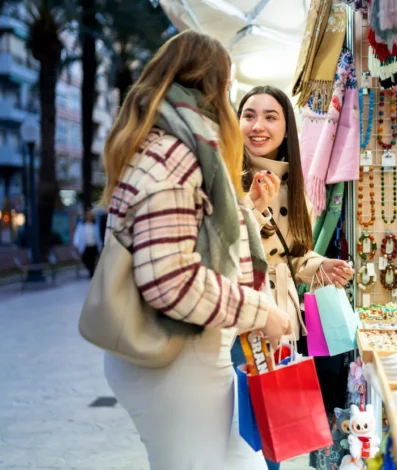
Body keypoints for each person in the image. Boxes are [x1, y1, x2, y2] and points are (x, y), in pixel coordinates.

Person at [99, 30, 291, 470]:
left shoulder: (165, 143)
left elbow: (187, 233)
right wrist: (262, 312)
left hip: (184, 361)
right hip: (175, 362)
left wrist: (244, 209)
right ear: (214, 87)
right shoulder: (174, 151)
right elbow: (171, 279)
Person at [234, 86, 356, 470]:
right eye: (249, 115)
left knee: (277, 416)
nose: (258, 126)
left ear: (286, 128)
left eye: (271, 117)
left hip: (283, 316)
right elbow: (224, 243)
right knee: (241, 411)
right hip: (242, 309)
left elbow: (294, 250)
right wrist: (250, 206)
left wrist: (320, 265)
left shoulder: (292, 182)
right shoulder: (223, 178)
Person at [72, 211, 102, 278]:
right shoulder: (81, 225)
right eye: (88, 216)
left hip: (94, 245)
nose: (89, 217)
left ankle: (91, 272)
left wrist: (100, 245)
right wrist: (76, 244)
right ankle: (90, 271)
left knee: (93, 259)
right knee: (85, 259)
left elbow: (98, 236)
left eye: (90, 216)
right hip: (85, 246)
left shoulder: (95, 225)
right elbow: (77, 235)